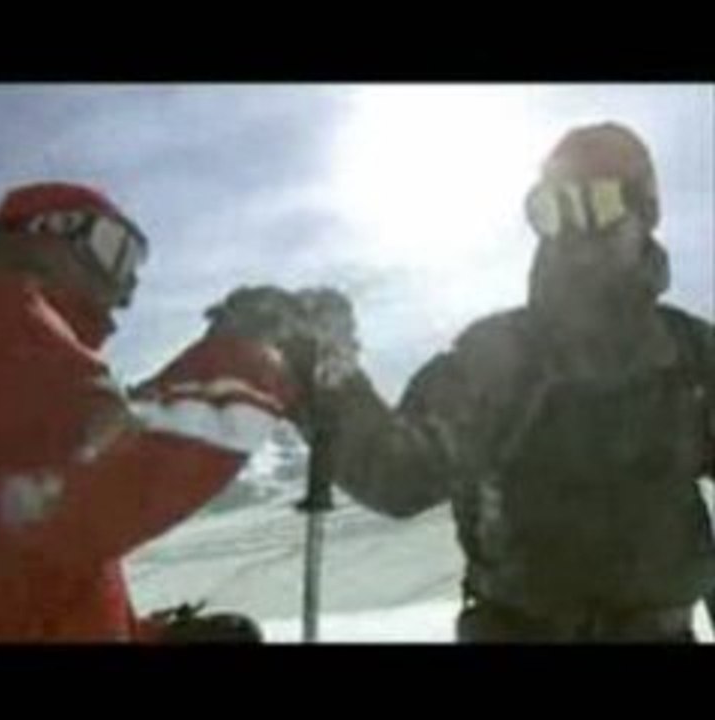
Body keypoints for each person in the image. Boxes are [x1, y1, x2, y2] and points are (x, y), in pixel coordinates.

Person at [0, 182, 315, 642]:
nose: (126, 287)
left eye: (135, 267)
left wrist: (141, 635)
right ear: (45, 234)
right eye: (116, 252)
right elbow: (120, 478)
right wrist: (260, 355)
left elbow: (13, 573)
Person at [293, 123, 715, 642]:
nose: (573, 230)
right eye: (551, 209)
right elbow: (397, 474)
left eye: (597, 204)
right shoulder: (499, 354)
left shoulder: (690, 355)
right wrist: (324, 371)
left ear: (644, 213)